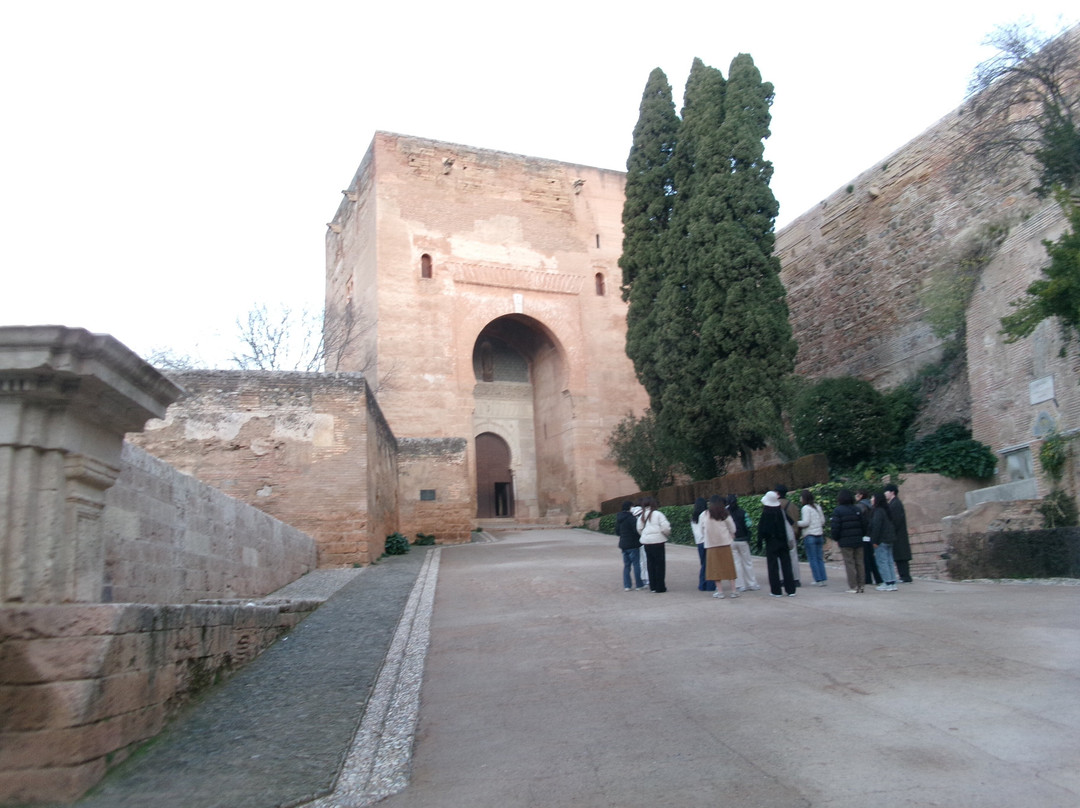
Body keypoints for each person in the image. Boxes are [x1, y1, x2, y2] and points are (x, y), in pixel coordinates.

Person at [759, 490, 797, 597]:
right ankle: (790, 589)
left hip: (771, 542)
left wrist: (761, 541)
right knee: (786, 565)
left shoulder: (766, 513)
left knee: (773, 567)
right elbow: (791, 522)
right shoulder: (781, 512)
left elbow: (762, 529)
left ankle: (776, 590)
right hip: (783, 541)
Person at [701, 495, 739, 598]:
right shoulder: (725, 513)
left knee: (715, 569)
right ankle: (734, 590)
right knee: (729, 567)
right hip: (725, 543)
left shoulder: (705, 514)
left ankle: (720, 591)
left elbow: (702, 528)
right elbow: (733, 528)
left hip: (711, 545)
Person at [830, 489, 866, 593]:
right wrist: (862, 535)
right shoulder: (857, 509)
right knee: (859, 562)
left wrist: (836, 538)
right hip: (858, 540)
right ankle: (861, 585)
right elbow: (864, 525)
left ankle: (853, 586)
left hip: (845, 541)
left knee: (849, 563)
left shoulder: (838, 510)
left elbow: (835, 527)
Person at [726, 494, 760, 591]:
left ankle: (740, 585)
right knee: (747, 562)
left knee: (736, 563)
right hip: (743, 540)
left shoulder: (726, 514)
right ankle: (752, 584)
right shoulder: (742, 512)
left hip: (731, 541)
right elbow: (749, 524)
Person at [637, 496, 670, 593]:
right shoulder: (658, 514)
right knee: (660, 564)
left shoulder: (641, 516)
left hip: (647, 542)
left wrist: (645, 536)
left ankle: (653, 586)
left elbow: (639, 529)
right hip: (658, 541)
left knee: (650, 564)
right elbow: (665, 527)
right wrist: (665, 534)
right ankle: (660, 587)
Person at [797, 489, 827, 586]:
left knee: (812, 558)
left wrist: (795, 523)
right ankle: (823, 578)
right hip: (819, 534)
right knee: (819, 558)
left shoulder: (805, 508)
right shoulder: (817, 507)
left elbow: (805, 522)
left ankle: (817, 579)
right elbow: (822, 521)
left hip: (810, 535)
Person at [884, 483, 914, 583]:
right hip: (897, 534)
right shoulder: (893, 503)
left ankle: (905, 576)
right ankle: (903, 576)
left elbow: (896, 520)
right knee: (899, 555)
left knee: (901, 556)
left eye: (886, 491)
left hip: (898, 534)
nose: (885, 494)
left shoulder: (896, 503)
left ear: (892, 492)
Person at [869, 491, 898, 591]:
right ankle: (892, 582)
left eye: (873, 497)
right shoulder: (886, 510)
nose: (871, 499)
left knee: (882, 561)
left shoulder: (878, 511)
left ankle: (887, 582)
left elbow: (876, 527)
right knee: (889, 561)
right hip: (889, 539)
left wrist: (874, 541)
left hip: (881, 540)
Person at [776, 485, 802, 588]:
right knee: (793, 557)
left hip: (782, 534)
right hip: (793, 532)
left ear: (777, 493)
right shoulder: (793, 505)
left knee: (781, 558)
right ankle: (796, 579)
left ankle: (784, 578)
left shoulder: (776, 505)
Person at [615, 500, 645, 591]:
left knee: (627, 565)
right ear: (630, 508)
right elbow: (636, 530)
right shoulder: (631, 518)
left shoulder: (619, 518)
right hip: (633, 544)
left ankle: (627, 585)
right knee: (636, 564)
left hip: (623, 544)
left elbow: (617, 531)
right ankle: (639, 584)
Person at [855, 490, 881, 586]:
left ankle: (868, 578)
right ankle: (878, 578)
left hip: (864, 534)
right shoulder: (871, 505)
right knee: (871, 557)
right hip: (870, 534)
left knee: (865, 557)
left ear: (861, 495)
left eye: (857, 494)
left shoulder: (860, 506)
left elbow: (860, 520)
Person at [690, 497, 716, 592]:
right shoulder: (705, 515)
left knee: (704, 564)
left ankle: (703, 584)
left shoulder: (693, 517)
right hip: (707, 541)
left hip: (699, 543)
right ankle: (709, 585)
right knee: (709, 565)